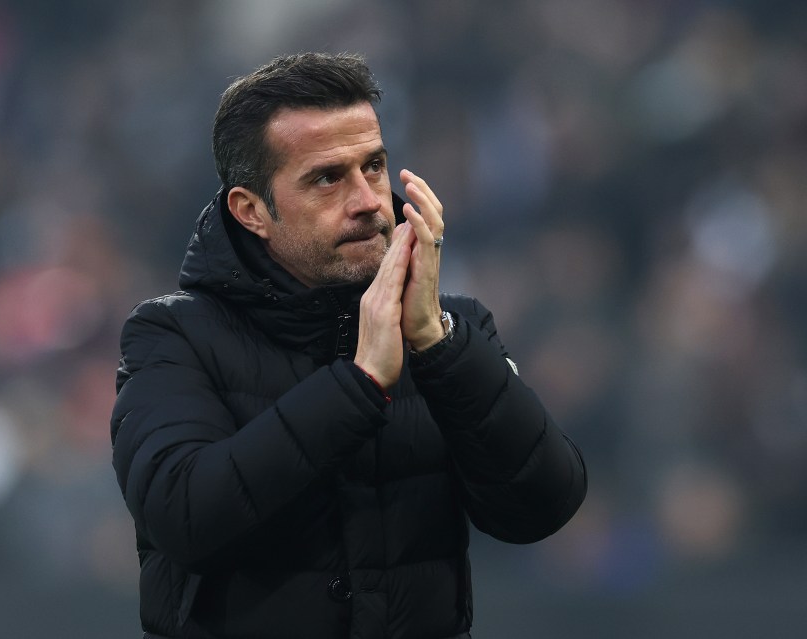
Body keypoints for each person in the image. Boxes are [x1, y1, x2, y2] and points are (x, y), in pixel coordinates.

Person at [110, 52, 586, 639]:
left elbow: (543, 506)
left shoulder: (453, 331)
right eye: (327, 178)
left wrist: (438, 346)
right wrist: (357, 386)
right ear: (252, 210)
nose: (367, 200)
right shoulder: (174, 337)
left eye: (375, 166)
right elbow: (183, 518)